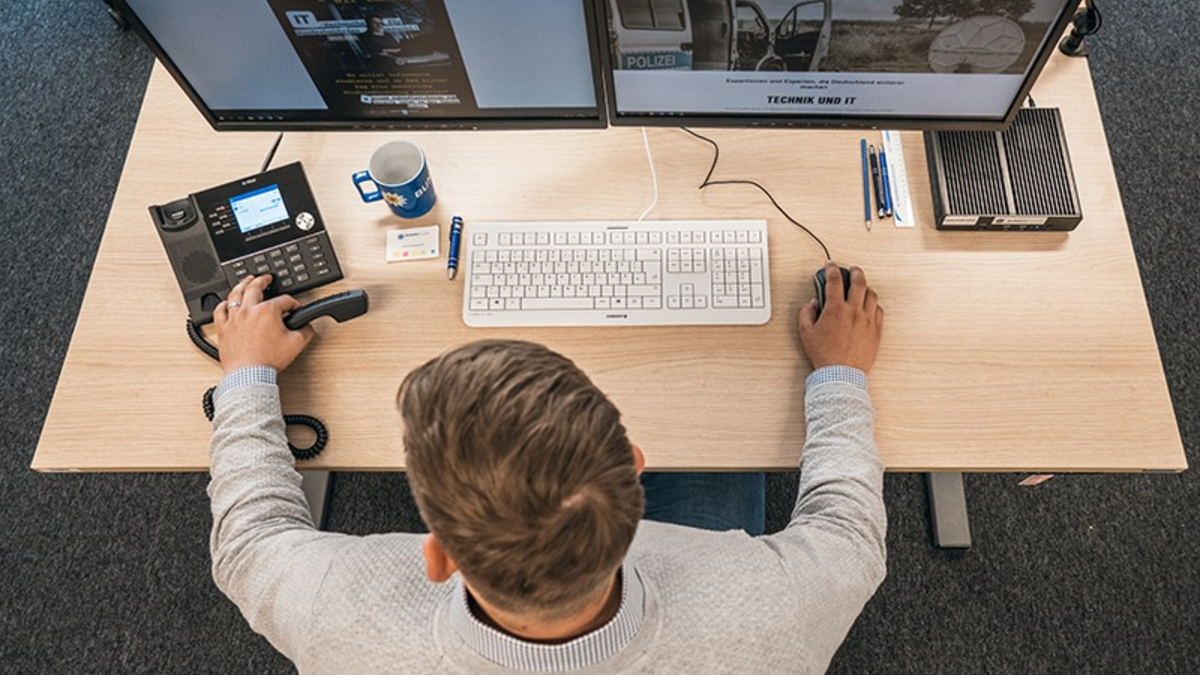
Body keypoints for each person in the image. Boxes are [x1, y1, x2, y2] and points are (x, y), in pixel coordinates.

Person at [207, 261, 886, 674]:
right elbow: (849, 536)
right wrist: (840, 373)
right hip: (704, 613)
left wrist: (246, 372)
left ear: (438, 555)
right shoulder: (771, 609)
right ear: (636, 468)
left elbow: (249, 542)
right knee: (727, 438)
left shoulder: (340, 611)